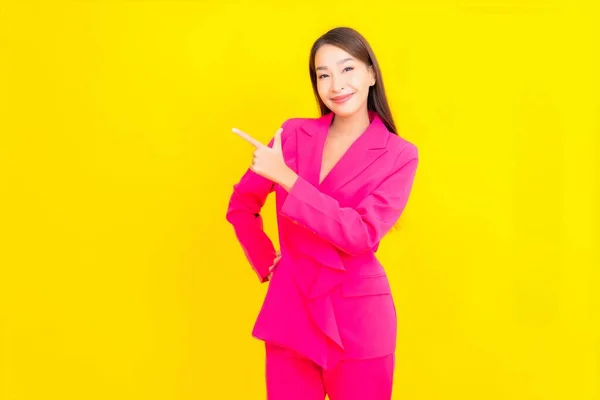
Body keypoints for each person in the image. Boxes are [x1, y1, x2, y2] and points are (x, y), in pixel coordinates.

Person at [226, 26, 419, 400]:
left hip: (359, 319)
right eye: (323, 74)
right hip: (290, 309)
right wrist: (266, 260)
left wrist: (287, 179)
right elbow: (241, 206)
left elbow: (361, 234)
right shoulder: (293, 135)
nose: (336, 85)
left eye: (347, 69)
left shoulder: (400, 154)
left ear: (370, 74)